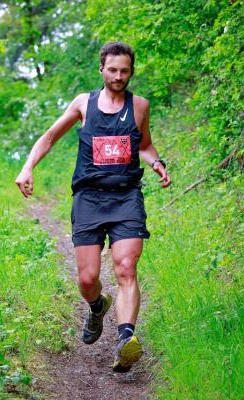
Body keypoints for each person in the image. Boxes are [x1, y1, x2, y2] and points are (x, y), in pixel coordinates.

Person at [15, 41, 171, 373]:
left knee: (126, 266)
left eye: (124, 71)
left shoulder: (139, 106)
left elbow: (144, 144)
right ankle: (97, 306)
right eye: (112, 70)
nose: (118, 76)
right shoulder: (83, 104)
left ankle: (125, 339)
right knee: (87, 279)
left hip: (126, 197)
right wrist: (27, 167)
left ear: (131, 72)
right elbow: (49, 137)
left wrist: (156, 163)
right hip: (88, 198)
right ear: (101, 70)